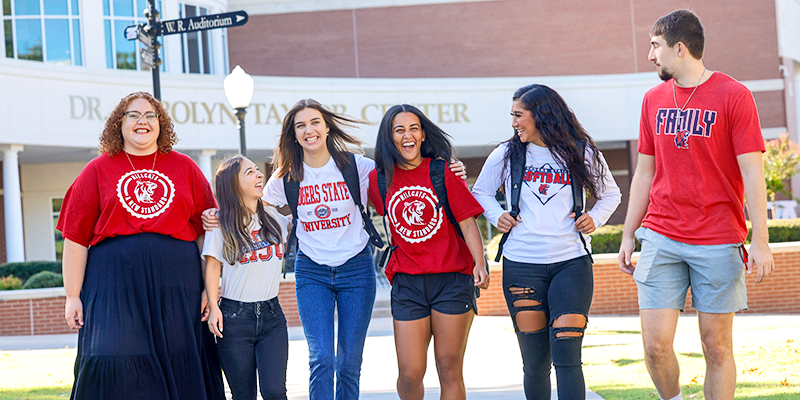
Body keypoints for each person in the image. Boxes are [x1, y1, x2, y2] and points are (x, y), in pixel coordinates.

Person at [201, 99, 466, 400]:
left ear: (326, 127)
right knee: (322, 358)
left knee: (349, 361)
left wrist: (449, 167)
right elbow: (249, 207)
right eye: (300, 125)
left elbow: (408, 174)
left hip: (357, 269)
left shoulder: (358, 167)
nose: (308, 130)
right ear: (294, 134)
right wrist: (216, 214)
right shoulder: (284, 178)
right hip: (312, 271)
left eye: (315, 122)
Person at [617, 10, 775, 400]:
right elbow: (643, 173)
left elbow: (753, 173)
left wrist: (761, 240)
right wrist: (627, 234)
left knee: (716, 347)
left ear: (680, 48)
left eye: (656, 46)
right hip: (661, 235)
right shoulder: (653, 100)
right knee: (654, 346)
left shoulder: (734, 95)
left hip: (718, 239)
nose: (651, 56)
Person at [59, 91, 225, 399]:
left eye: (150, 115)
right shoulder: (97, 169)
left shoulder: (185, 167)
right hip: (113, 283)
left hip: (178, 284)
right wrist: (72, 295)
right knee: (109, 354)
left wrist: (209, 290)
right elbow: (75, 237)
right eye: (133, 115)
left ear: (161, 124)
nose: (142, 121)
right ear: (118, 124)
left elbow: (207, 234)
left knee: (179, 355)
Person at [472, 84, 621, 400]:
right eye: (512, 115)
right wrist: (496, 214)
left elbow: (611, 193)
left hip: (572, 264)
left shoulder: (582, 152)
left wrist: (595, 217)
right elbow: (481, 192)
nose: (513, 122)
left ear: (541, 115)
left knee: (567, 357)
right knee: (536, 363)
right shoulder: (507, 154)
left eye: (518, 115)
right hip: (522, 266)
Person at [367, 104, 489, 400]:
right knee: (410, 374)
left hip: (452, 280)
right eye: (399, 130)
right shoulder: (378, 180)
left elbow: (467, 221)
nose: (407, 135)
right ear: (389, 137)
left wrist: (480, 264)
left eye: (414, 128)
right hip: (408, 283)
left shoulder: (442, 171)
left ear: (422, 135)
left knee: (449, 366)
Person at [203, 155, 290, 400]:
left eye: (256, 170)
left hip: (272, 316)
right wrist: (213, 306)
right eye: (250, 172)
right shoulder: (220, 223)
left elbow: (305, 222)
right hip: (234, 319)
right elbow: (212, 266)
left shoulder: (274, 219)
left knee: (275, 392)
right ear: (233, 184)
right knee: (243, 395)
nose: (259, 175)